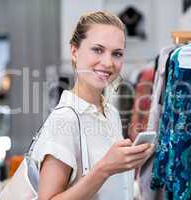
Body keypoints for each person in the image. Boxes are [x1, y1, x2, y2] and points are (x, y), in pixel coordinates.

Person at [31, 11, 155, 200]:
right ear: (74, 52)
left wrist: (135, 164)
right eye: (97, 49)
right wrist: (105, 168)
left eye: (117, 54)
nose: (107, 62)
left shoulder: (110, 113)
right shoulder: (65, 119)